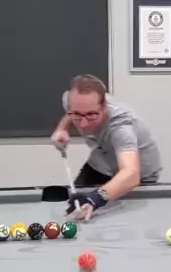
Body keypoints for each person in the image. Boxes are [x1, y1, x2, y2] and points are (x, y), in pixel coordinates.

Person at [51, 74, 162, 220]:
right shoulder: (72, 99)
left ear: (104, 108)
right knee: (77, 207)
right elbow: (70, 111)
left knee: (123, 220)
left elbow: (131, 174)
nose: (83, 124)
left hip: (140, 174)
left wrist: (97, 197)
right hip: (103, 161)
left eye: (91, 115)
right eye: (77, 114)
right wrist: (62, 128)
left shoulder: (120, 127)